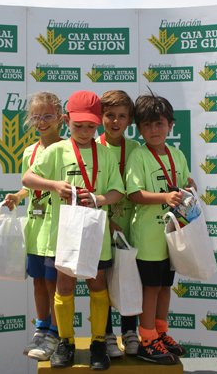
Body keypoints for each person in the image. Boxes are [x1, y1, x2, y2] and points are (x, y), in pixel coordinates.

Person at [22, 90, 125, 371]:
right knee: (65, 286)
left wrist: (99, 199)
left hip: (96, 233)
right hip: (64, 232)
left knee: (97, 285)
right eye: (78, 125)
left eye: (91, 126)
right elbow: (27, 178)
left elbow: (118, 190)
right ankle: (65, 342)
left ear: (98, 125)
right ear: (66, 121)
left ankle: (97, 342)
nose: (84, 131)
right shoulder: (56, 150)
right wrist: (54, 185)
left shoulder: (104, 154)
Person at [126, 91, 197, 364]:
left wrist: (189, 189)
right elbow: (133, 194)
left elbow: (182, 184)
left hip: (172, 236)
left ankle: (160, 331)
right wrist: (165, 198)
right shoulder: (139, 156)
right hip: (148, 237)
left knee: (165, 286)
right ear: (139, 128)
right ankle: (146, 339)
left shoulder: (177, 154)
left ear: (171, 125)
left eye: (159, 124)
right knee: (151, 288)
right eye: (147, 125)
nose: (154, 130)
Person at [3, 92, 63, 361]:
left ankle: (56, 332)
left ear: (60, 119)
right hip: (37, 228)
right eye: (36, 117)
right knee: (38, 281)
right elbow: (31, 184)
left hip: (59, 229)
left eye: (48, 116)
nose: (41, 122)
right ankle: (41, 328)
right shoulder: (30, 151)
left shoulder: (69, 148)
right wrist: (18, 196)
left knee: (54, 284)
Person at [96, 90, 140, 358]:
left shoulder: (136, 148)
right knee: (102, 280)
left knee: (129, 277)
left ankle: (130, 331)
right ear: (100, 116)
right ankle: (107, 333)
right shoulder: (93, 146)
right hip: (102, 225)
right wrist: (108, 221)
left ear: (130, 120)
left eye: (122, 116)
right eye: (109, 115)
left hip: (131, 226)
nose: (115, 121)